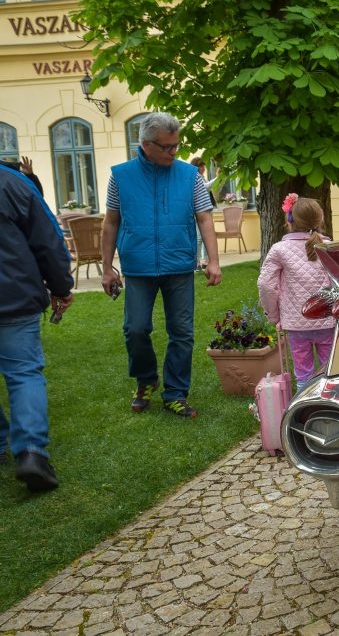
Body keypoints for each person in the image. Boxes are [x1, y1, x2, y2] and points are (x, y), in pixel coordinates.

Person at [101, 112, 222, 419]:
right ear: (145, 144)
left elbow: (204, 217)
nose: (173, 152)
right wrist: (106, 268)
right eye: (166, 147)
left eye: (176, 145)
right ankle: (146, 379)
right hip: (138, 265)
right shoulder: (121, 175)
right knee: (135, 329)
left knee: (182, 331)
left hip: (179, 263)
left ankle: (175, 392)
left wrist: (214, 260)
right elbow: (111, 223)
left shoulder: (189, 175)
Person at [0, 162, 74, 491]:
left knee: (23, 372)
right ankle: (31, 453)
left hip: (13, 294)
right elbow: (48, 237)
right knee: (24, 373)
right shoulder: (12, 182)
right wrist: (61, 286)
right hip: (13, 296)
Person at [257, 194, 334, 389]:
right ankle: (332, 410)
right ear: (320, 219)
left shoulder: (279, 249)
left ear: (288, 219)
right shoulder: (329, 247)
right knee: (331, 373)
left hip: (296, 325)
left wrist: (274, 316)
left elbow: (266, 285)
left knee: (303, 377)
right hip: (328, 322)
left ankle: (303, 414)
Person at [189, 156, 215, 270]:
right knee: (199, 237)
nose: (204, 168)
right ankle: (196, 261)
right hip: (198, 212)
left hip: (206, 209)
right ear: (196, 167)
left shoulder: (201, 177)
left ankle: (204, 261)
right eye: (201, 166)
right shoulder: (194, 177)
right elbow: (206, 187)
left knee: (205, 237)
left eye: (204, 166)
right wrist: (218, 178)